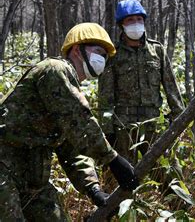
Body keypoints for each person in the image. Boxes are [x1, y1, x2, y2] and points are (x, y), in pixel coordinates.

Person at [0, 23, 139, 221]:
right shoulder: (54, 71)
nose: (102, 59)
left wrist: (93, 189)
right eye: (98, 51)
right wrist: (113, 159)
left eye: (104, 56)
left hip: (33, 178)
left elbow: (70, 147)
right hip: (4, 169)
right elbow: (79, 122)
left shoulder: (71, 88)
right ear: (76, 49)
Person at [98, 0, 184, 163]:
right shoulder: (112, 55)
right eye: (130, 20)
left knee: (168, 173)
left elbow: (171, 87)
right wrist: (107, 130)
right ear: (122, 24)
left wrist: (178, 117)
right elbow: (105, 96)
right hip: (123, 128)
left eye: (139, 19)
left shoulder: (157, 50)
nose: (135, 23)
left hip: (153, 125)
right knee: (121, 177)